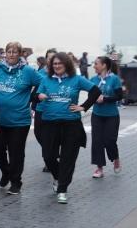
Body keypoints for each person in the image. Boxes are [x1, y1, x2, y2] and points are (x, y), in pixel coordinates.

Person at [36, 55, 101, 204]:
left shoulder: (76, 79)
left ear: (67, 64)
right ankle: (59, 177)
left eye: (60, 63)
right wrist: (39, 96)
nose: (57, 66)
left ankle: (62, 189)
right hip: (49, 123)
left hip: (71, 124)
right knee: (48, 156)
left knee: (68, 158)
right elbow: (35, 96)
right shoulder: (46, 79)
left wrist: (83, 107)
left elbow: (96, 91)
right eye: (55, 63)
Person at [0, 42, 43, 195]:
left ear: (20, 54)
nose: (11, 54)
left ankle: (16, 182)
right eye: (8, 51)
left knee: (16, 152)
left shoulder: (28, 71)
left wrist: (34, 97)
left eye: (14, 52)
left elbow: (43, 82)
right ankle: (6, 172)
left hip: (20, 120)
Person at [90, 56, 124, 178]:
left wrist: (105, 99)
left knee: (109, 140)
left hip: (112, 115)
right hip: (97, 115)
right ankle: (99, 168)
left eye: (96, 64)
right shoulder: (93, 79)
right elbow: (90, 96)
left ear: (104, 65)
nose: (94, 66)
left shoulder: (114, 79)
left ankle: (115, 158)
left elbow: (119, 96)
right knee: (97, 141)